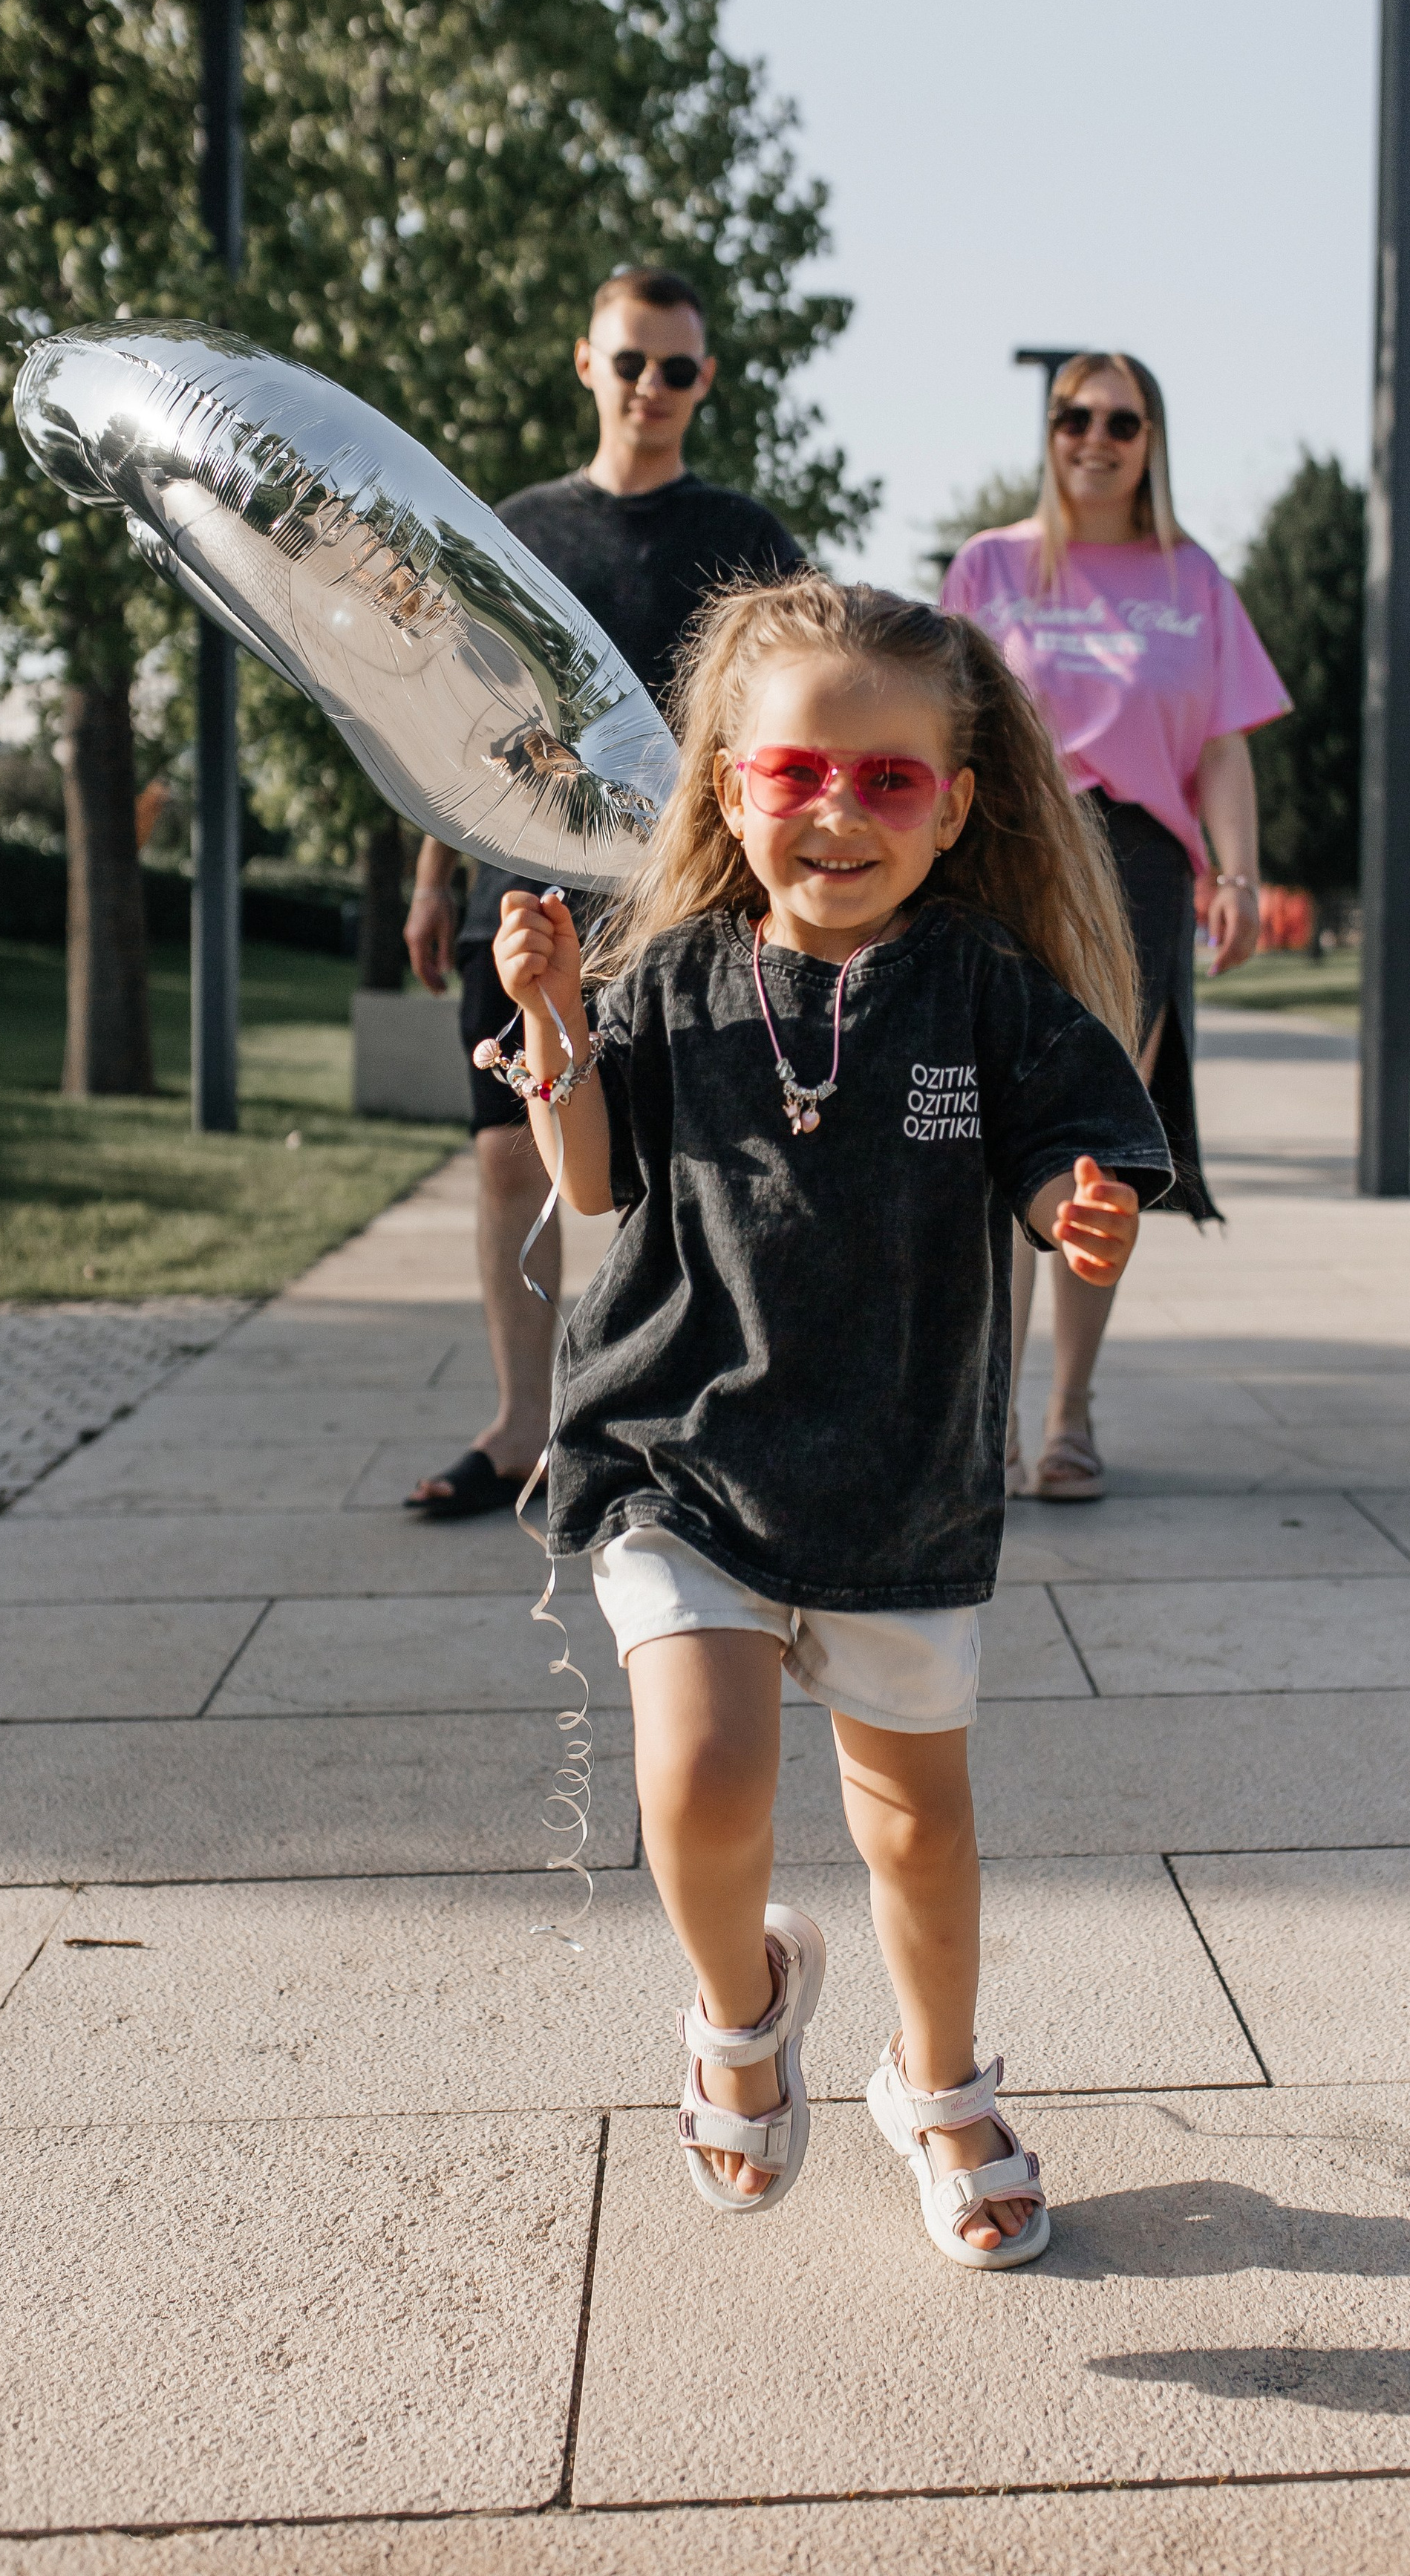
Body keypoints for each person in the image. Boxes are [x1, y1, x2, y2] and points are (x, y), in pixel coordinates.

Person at [490, 577, 1170, 2262]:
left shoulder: (985, 987)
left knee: (915, 1828)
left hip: (898, 1469)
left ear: (954, 804)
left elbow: (1058, 1157)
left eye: (887, 780)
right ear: (729, 789)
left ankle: (936, 2083)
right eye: (797, 772)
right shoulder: (673, 978)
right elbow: (594, 1182)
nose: (839, 812)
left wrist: (1075, 1207)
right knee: (704, 1771)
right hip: (679, 1447)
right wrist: (556, 1024)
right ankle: (740, 2010)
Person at [402, 267, 806, 1518]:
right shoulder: (511, 529)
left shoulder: (746, 537)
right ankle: (521, 1426)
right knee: (506, 1158)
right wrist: (433, 877)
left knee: (688, 1167)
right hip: (521, 892)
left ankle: (684, 1419)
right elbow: (451, 718)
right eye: (630, 361)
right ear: (588, 362)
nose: (650, 386)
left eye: (676, 368)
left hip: (682, 898)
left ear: (705, 380)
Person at [941, 350, 1289, 1501]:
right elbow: (941, 723)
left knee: (1091, 1149)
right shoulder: (989, 567)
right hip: (1011, 853)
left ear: (1152, 440)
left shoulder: (1192, 577)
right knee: (996, 1143)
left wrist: (1239, 875)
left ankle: (1070, 1417)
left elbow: (1223, 745)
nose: (1094, 437)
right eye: (1072, 416)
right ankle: (985, 1422)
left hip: (1138, 870)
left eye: (1120, 421)